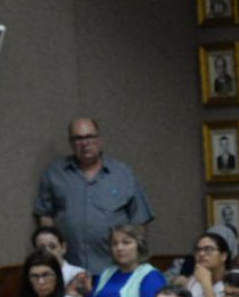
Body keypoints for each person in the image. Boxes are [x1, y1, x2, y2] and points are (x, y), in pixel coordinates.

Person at [37, 117, 153, 283]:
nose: (85, 143)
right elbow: (45, 215)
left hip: (115, 269)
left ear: (100, 139)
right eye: (78, 138)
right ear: (70, 143)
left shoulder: (123, 174)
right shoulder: (55, 174)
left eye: (90, 137)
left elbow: (140, 220)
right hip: (70, 271)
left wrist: (136, 262)